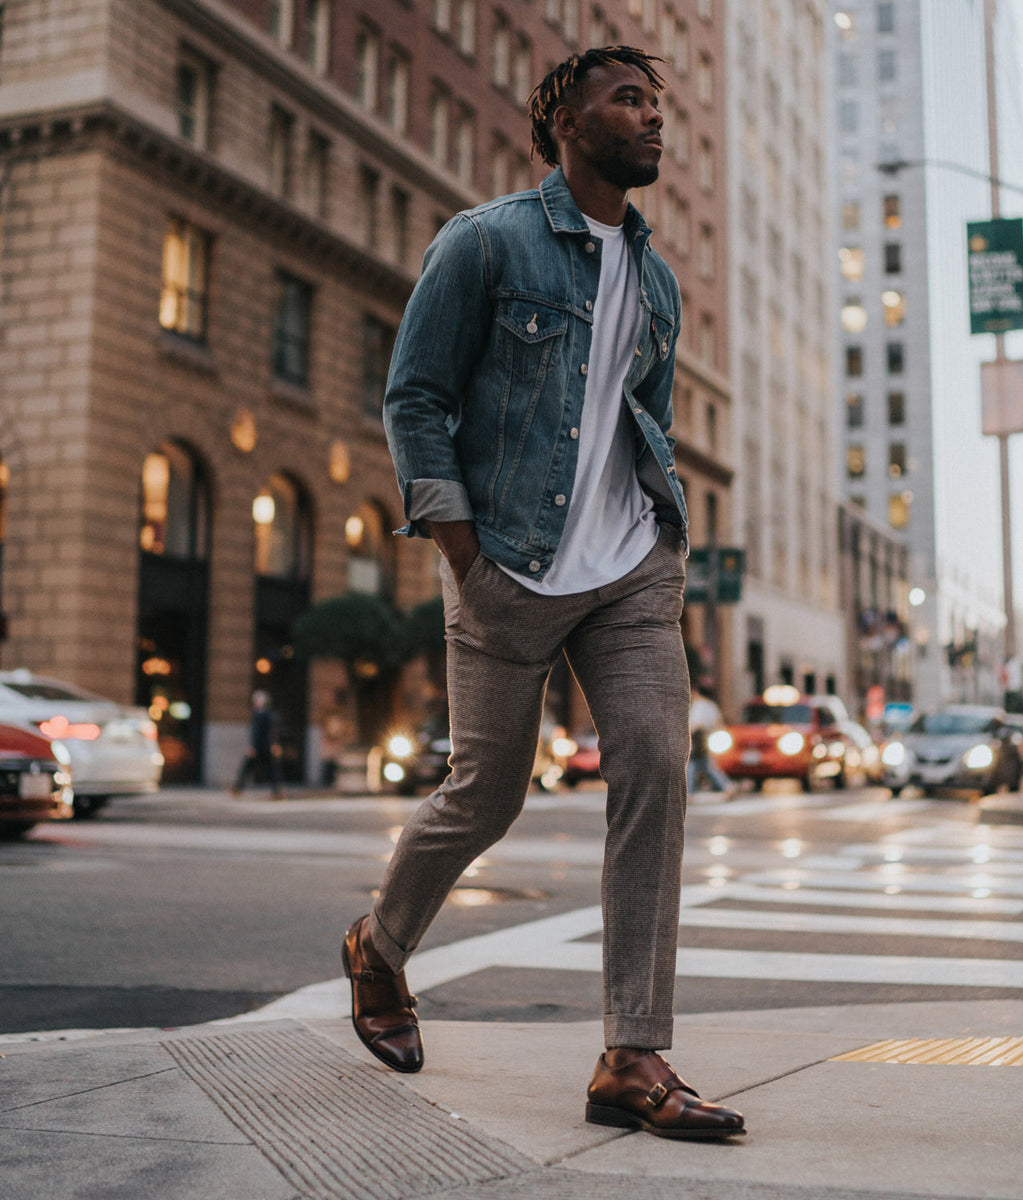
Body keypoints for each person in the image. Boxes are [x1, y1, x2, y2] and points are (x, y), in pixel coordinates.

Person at [341, 47, 744, 1140]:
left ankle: (632, 1051)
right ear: (563, 118)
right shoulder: (485, 243)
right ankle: (379, 949)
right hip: (507, 565)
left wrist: (663, 538)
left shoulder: (656, 278)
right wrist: (462, 547)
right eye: (628, 100)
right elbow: (415, 396)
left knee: (657, 766)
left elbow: (642, 416)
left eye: (657, 105)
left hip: (627, 573)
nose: (652, 120)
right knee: (488, 794)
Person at [231, 689, 284, 799]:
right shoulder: (261, 713)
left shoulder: (265, 714)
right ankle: (238, 788)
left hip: (264, 747)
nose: (256, 702)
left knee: (267, 768)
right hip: (263, 746)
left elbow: (270, 731)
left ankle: (277, 792)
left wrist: (272, 744)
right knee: (263, 768)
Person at [686, 685, 732, 795]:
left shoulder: (699, 705)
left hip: (700, 740)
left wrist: (684, 734)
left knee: (692, 764)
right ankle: (727, 786)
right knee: (705, 765)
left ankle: (689, 791)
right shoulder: (710, 705)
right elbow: (719, 721)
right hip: (709, 739)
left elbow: (695, 725)